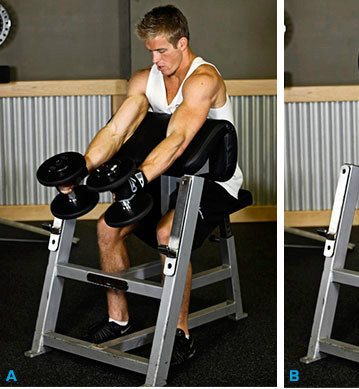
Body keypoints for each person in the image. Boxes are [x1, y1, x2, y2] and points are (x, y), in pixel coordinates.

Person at [60, 5, 243, 367]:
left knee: (167, 234)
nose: (156, 60)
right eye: (151, 52)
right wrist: (79, 170)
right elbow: (117, 131)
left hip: (212, 182)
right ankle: (118, 318)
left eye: (162, 51)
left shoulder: (203, 79)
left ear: (182, 43)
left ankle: (180, 332)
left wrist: (138, 178)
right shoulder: (145, 80)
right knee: (105, 228)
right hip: (165, 180)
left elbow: (178, 139)